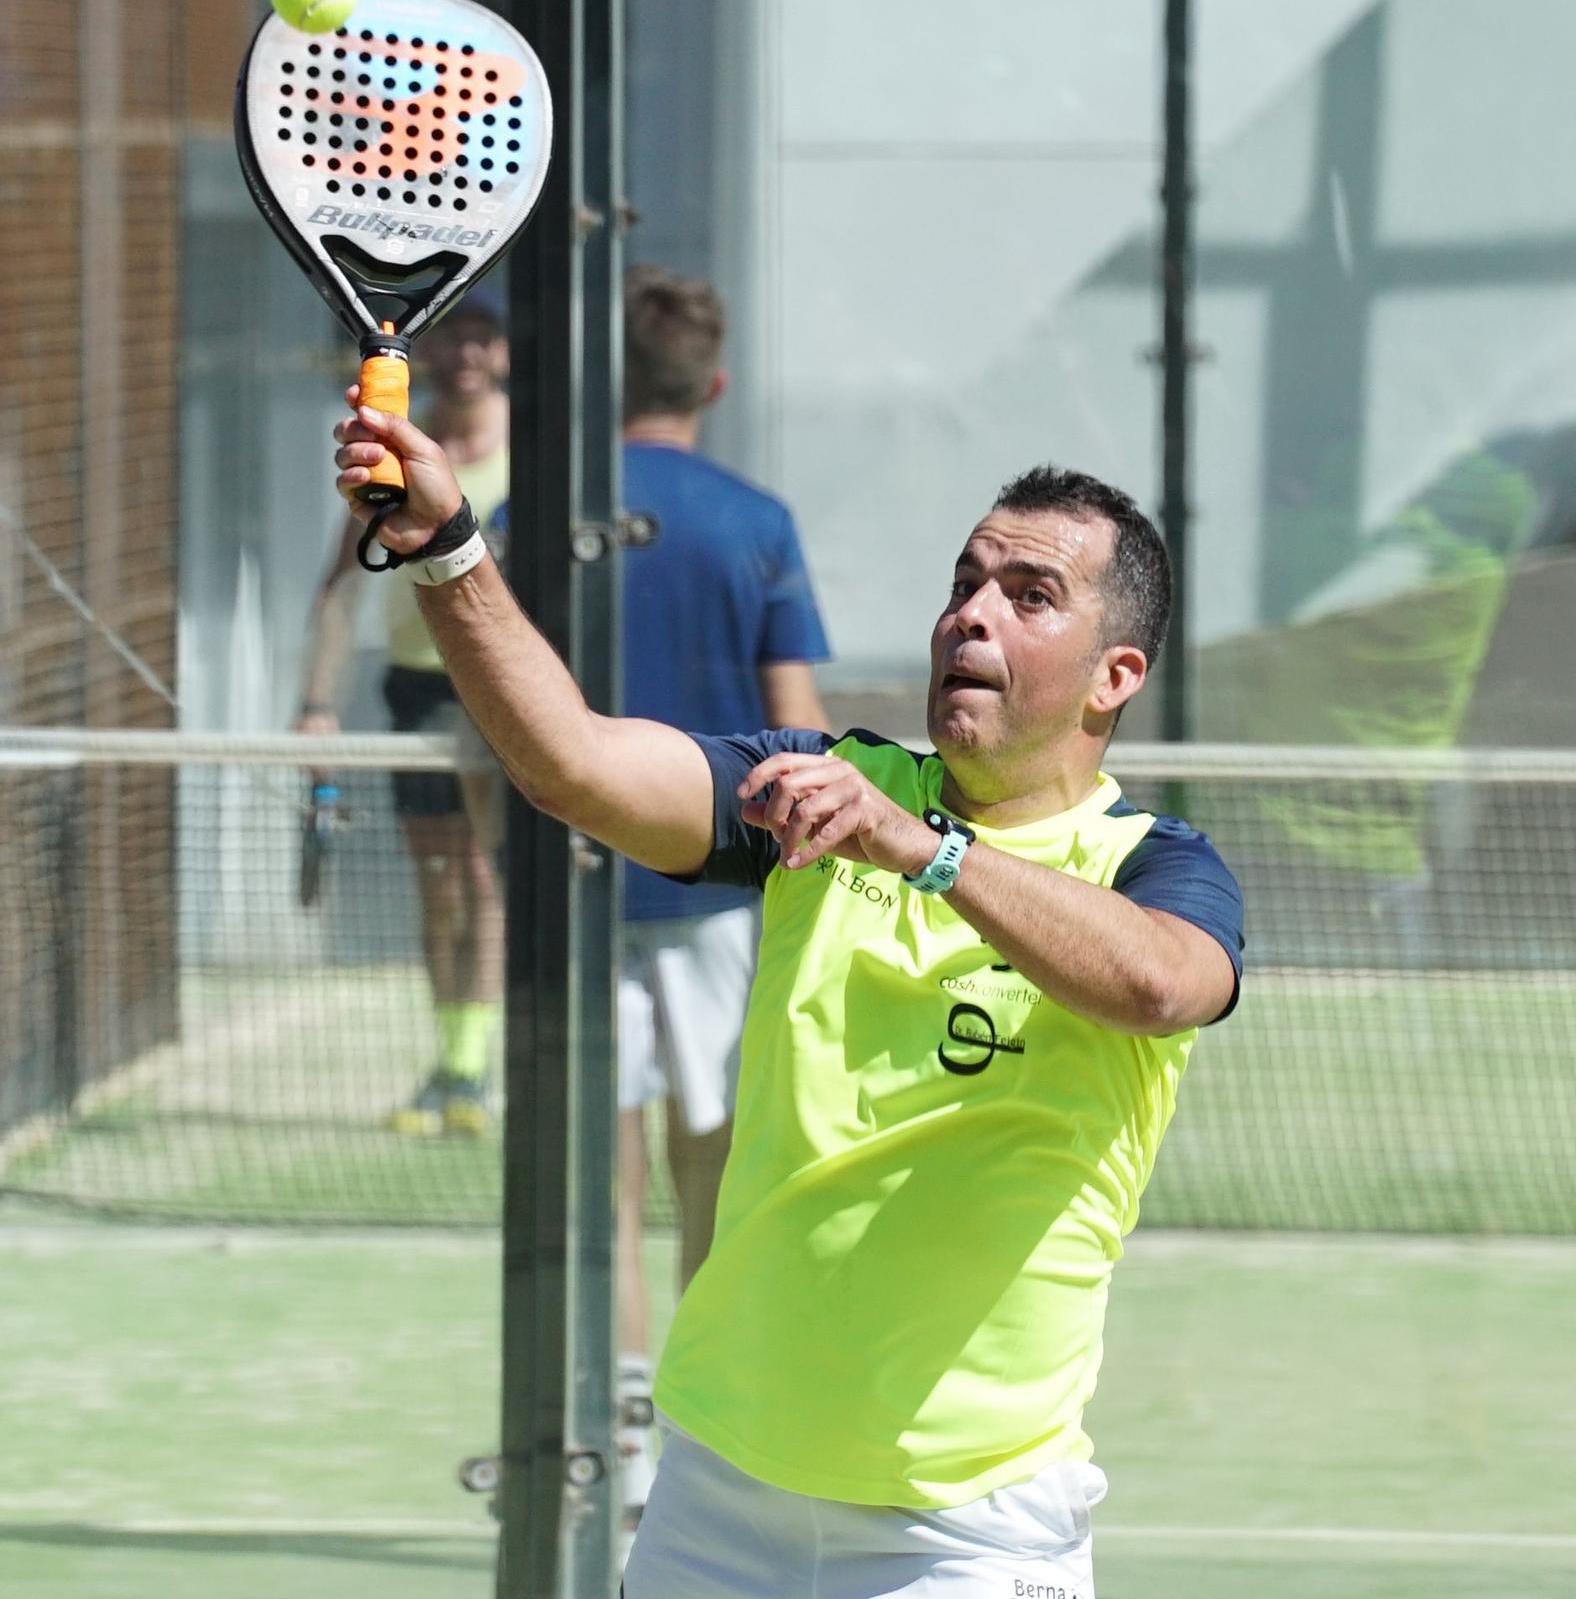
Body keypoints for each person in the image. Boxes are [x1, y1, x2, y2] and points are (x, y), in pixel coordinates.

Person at [330, 394, 1244, 1599]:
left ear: (1112, 675)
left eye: (1028, 596)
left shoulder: (1149, 863)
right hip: (718, 1495)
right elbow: (573, 764)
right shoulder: (822, 787)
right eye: (963, 581)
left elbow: (1160, 982)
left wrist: (926, 851)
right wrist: (445, 548)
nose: (970, 612)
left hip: (964, 1530)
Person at [615, 265, 830, 1506]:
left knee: (602, 1181)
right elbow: (796, 731)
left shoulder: (546, 510)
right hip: (716, 907)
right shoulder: (756, 520)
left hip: (579, 891)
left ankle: (626, 1427)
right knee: (714, 1171)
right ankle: (695, 1430)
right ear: (716, 382)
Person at [297, 296, 510, 1137]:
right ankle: (450, 1064)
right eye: (452, 337)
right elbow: (338, 588)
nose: (465, 354)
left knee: (488, 877)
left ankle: (474, 1068)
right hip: (415, 690)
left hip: (496, 689)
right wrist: (314, 705)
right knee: (439, 884)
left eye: (480, 338)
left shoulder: (534, 455)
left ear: (500, 353)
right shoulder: (393, 454)